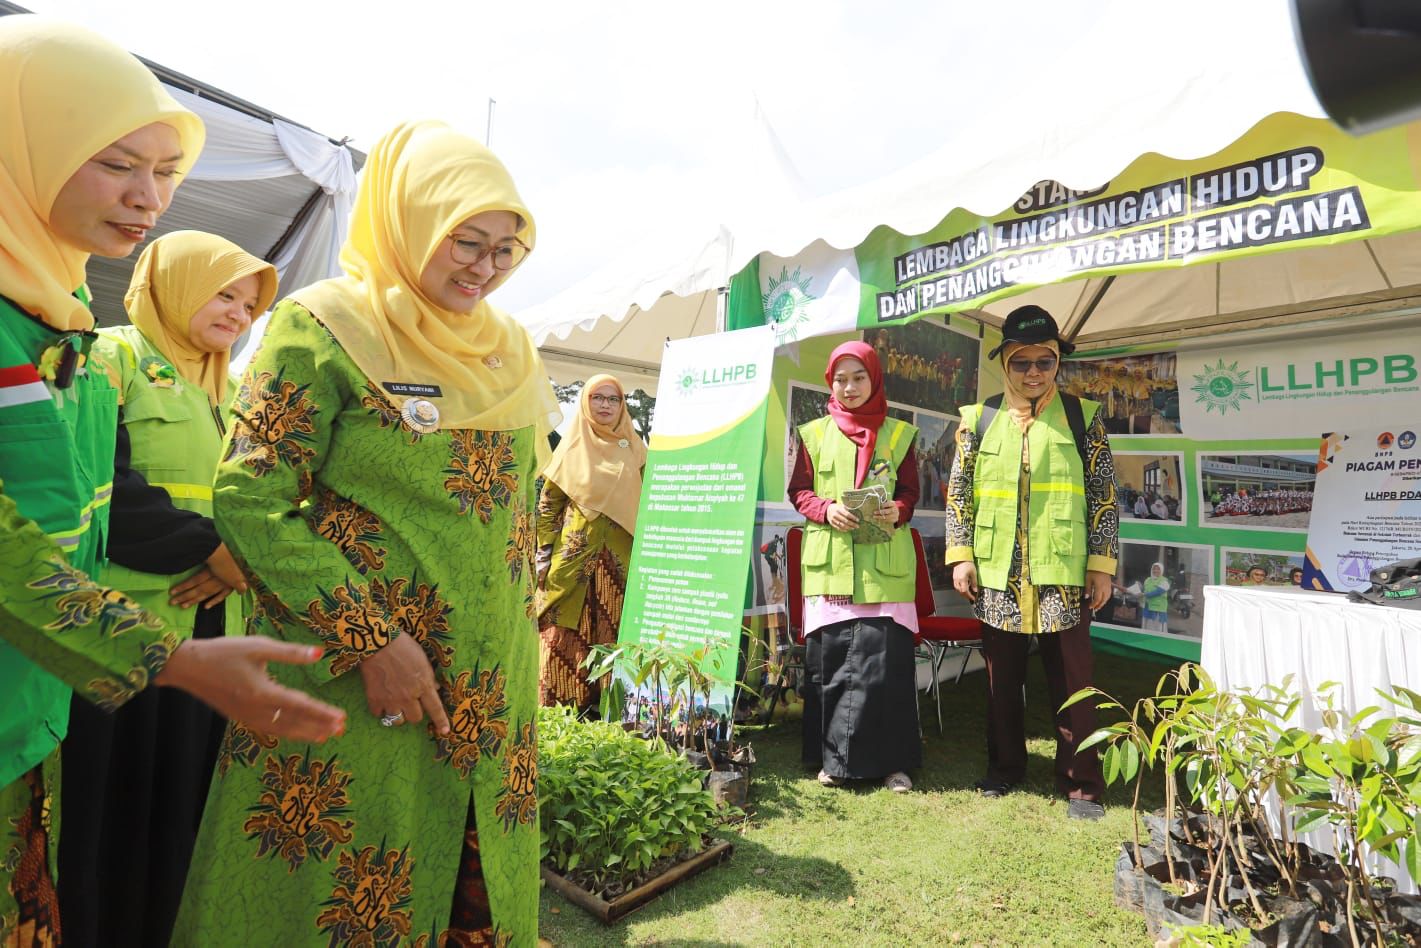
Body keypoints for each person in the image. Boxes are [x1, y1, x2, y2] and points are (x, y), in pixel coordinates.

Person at [0, 19, 344, 945]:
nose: (148, 196)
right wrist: (184, 628)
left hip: (38, 705)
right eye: (116, 163)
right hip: (120, 639)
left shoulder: (54, 323)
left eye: (164, 173)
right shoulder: (94, 352)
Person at [173, 120, 559, 946]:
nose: (483, 269)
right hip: (359, 678)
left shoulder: (511, 350)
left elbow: (508, 519)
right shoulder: (324, 325)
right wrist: (372, 640)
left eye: (504, 250)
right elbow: (250, 496)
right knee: (338, 896)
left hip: (489, 688)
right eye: (465, 241)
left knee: (474, 881)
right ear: (410, 218)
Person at [58, 231, 278, 947]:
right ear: (174, 284)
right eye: (223, 293)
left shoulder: (237, 392)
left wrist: (241, 558)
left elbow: (269, 499)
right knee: (114, 810)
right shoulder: (111, 356)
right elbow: (96, 481)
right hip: (127, 631)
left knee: (184, 804)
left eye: (248, 304)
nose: (237, 313)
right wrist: (212, 549)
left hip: (218, 630)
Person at [945, 305, 1119, 821]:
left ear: (1058, 361)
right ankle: (1004, 769)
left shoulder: (1084, 417)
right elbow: (959, 494)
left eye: (1045, 360)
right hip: (998, 571)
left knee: (1073, 682)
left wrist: (1101, 565)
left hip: (1062, 572)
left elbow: (1104, 495)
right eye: (1022, 362)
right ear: (1006, 364)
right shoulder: (978, 418)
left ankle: (1081, 784)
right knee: (1001, 681)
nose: (1034, 372)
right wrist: (961, 557)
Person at [787, 341, 921, 794]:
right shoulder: (813, 434)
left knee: (887, 670)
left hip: (884, 570)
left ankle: (894, 766)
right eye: (840, 379)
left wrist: (897, 511)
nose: (849, 387)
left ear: (874, 379)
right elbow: (799, 492)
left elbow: (910, 493)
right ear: (831, 382)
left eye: (858, 377)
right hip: (833, 568)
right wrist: (825, 510)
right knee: (834, 667)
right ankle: (833, 762)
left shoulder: (900, 435)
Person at [536, 375, 646, 711]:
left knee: (613, 626)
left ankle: (609, 705)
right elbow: (548, 505)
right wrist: (542, 553)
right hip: (571, 559)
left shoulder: (637, 450)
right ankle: (559, 702)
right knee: (561, 628)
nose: (605, 406)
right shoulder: (571, 446)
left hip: (620, 559)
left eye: (614, 400)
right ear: (585, 402)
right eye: (598, 398)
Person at [1140, 563, 1171, 633]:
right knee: (1147, 628)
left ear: (1162, 570)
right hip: (1148, 608)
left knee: (1158, 630)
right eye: (1154, 568)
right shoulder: (1147, 580)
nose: (1156, 571)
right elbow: (1144, 590)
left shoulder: (1165, 581)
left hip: (1158, 611)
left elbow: (1158, 592)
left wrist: (1145, 594)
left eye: (1158, 569)